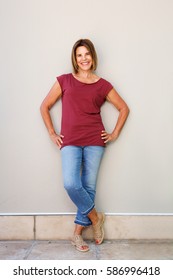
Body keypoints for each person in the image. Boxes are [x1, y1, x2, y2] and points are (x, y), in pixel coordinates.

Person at [40, 38, 129, 252]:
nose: (83, 59)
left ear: (92, 56)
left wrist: (114, 133)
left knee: (88, 187)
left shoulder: (102, 85)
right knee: (71, 184)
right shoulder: (64, 81)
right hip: (70, 140)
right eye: (79, 55)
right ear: (75, 58)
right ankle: (96, 219)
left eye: (87, 54)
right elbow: (44, 106)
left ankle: (77, 235)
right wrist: (52, 132)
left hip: (94, 140)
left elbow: (124, 108)